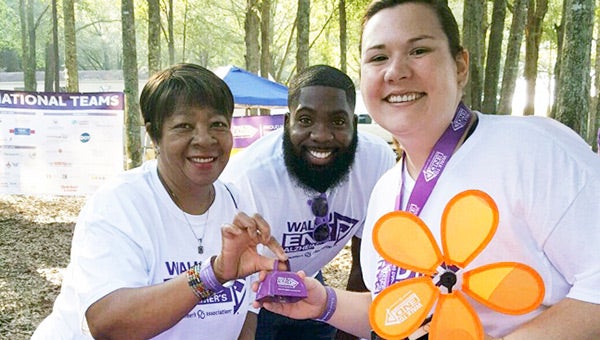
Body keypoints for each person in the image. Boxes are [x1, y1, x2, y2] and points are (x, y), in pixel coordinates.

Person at [254, 1, 600, 339]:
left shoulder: (533, 148)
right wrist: (325, 302)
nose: (396, 71)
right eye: (378, 58)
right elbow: (398, 315)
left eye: (418, 51)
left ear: (460, 65)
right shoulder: (387, 192)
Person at [32, 63, 288, 339]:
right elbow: (108, 325)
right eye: (184, 126)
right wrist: (211, 275)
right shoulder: (119, 203)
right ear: (155, 135)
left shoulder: (238, 205)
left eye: (217, 124)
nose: (204, 139)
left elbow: (247, 311)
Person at [220, 64, 397, 339]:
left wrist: (346, 332)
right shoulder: (249, 177)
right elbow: (234, 280)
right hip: (252, 296)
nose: (321, 135)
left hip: (308, 284)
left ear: (355, 121)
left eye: (338, 121)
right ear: (287, 121)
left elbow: (365, 261)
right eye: (305, 120)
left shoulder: (377, 161)